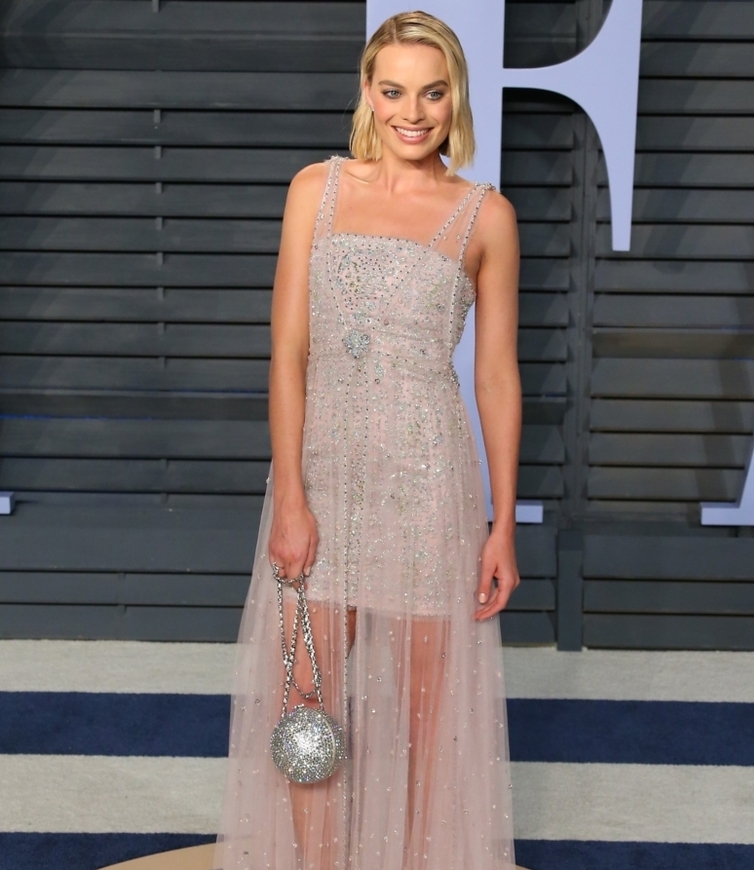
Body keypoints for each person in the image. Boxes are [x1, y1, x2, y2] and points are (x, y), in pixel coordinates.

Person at [214, 10, 521, 870]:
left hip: (430, 488)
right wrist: (292, 495)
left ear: (454, 96)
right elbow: (288, 351)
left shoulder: (484, 216)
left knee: (428, 721)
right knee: (307, 704)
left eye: (431, 92)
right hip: (324, 477)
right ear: (368, 92)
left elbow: (495, 377)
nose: (412, 112)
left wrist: (500, 523)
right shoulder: (317, 189)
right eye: (393, 91)